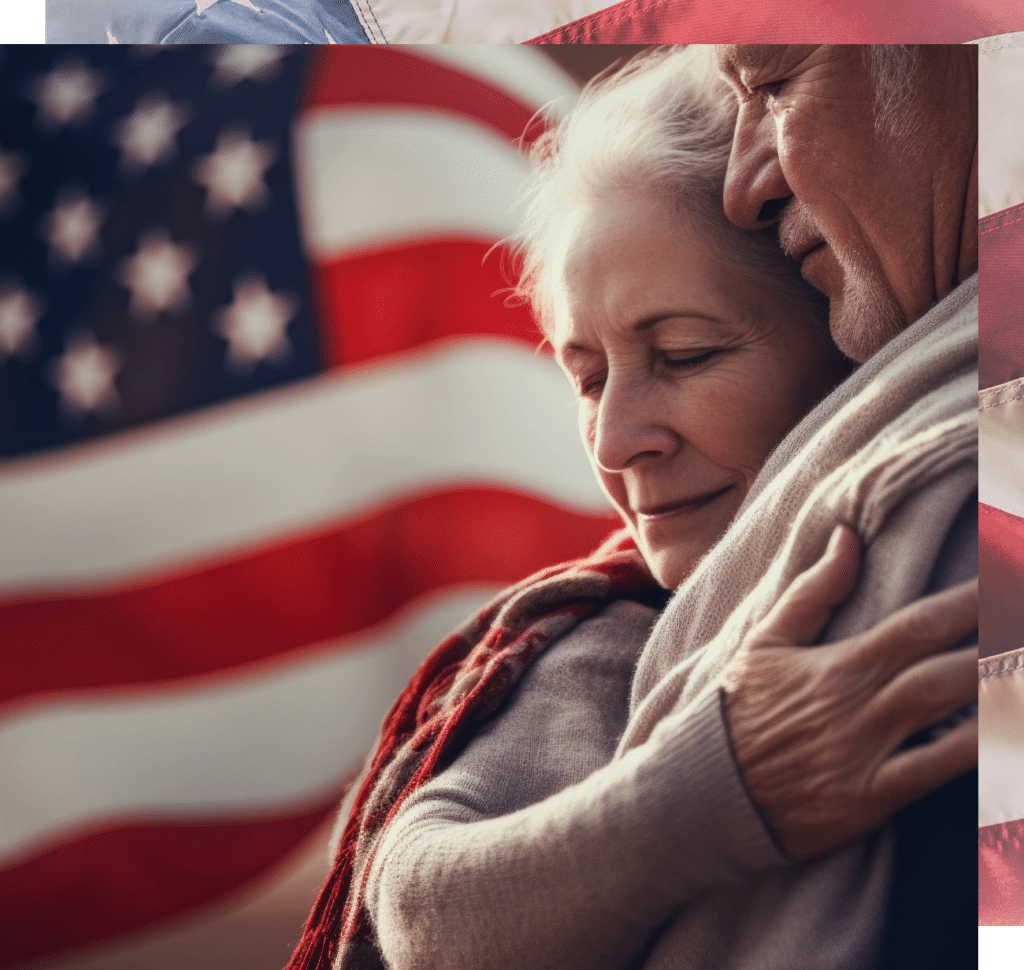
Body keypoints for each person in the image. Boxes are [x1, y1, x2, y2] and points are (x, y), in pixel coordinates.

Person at [285, 46, 977, 970]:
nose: (614, 441)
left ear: (848, 350)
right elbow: (412, 907)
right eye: (586, 377)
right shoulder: (598, 636)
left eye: (685, 355)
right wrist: (710, 784)